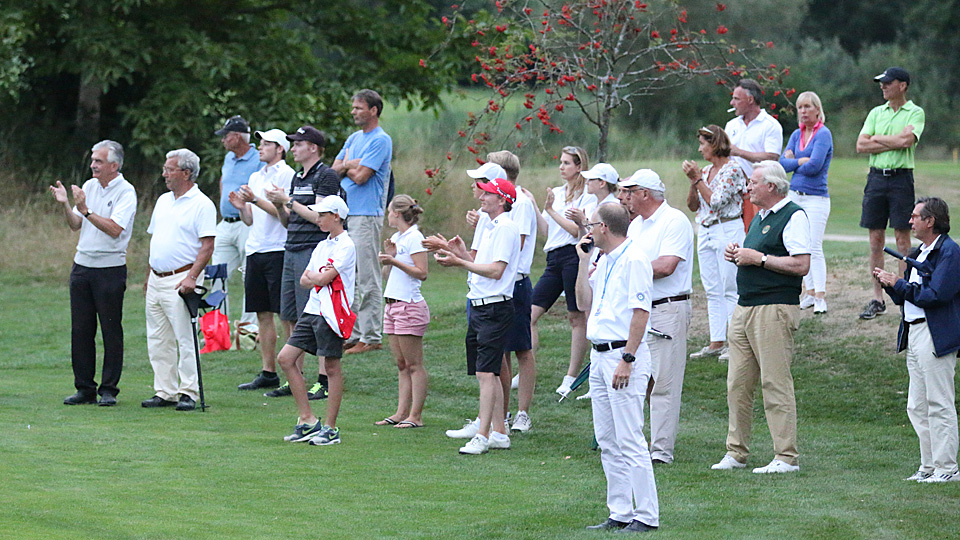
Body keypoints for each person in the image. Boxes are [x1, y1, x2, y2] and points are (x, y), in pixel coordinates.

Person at [712, 161, 810, 473]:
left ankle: (786, 456)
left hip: (774, 308)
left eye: (753, 183)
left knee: (775, 382)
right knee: (737, 384)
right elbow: (756, 256)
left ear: (771, 186)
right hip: (745, 307)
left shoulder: (793, 215)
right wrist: (740, 255)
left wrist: (760, 258)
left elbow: (801, 265)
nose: (747, 188)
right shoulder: (759, 217)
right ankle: (736, 452)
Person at [574, 203, 659, 533]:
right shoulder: (603, 259)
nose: (588, 230)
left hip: (621, 356)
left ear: (605, 227)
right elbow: (584, 303)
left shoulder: (635, 259)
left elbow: (641, 312)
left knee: (630, 437)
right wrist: (583, 262)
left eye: (592, 224)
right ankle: (620, 510)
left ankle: (647, 514)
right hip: (599, 355)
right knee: (607, 437)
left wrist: (628, 358)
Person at [875, 197, 960, 483]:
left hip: (935, 333)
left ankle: (947, 467)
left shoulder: (949, 253)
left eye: (914, 216)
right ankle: (929, 466)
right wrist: (890, 285)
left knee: (939, 402)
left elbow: (936, 296)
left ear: (930, 221)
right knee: (917, 405)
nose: (909, 221)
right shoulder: (918, 252)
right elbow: (908, 296)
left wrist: (899, 284)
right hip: (914, 332)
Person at [434, 175, 520, 455]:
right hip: (482, 304)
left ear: (502, 200)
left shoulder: (506, 228)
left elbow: (497, 271)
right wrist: (459, 254)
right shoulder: (491, 227)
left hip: (495, 307)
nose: (481, 197)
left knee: (486, 373)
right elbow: (483, 267)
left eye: (487, 194)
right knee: (489, 373)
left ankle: (482, 436)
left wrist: (459, 262)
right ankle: (499, 433)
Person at [51, 140, 137, 406]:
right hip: (82, 267)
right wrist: (67, 204)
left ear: (114, 165)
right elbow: (76, 224)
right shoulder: (88, 186)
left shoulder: (126, 192)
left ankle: (109, 389)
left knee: (110, 329)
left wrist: (86, 209)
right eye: (93, 161)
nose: (93, 166)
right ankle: (84, 388)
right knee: (81, 330)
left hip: (109, 269)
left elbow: (114, 229)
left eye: (98, 161)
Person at [619, 169, 694, 464]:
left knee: (664, 382)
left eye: (630, 192)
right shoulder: (636, 225)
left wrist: (626, 272)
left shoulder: (674, 221)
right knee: (637, 378)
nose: (625, 197)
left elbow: (666, 266)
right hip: (642, 309)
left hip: (668, 307)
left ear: (645, 194)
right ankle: (633, 441)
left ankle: (661, 451)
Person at [263, 126, 343, 400]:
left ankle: (323, 379)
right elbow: (289, 220)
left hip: (312, 249)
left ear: (313, 147)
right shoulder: (298, 177)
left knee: (316, 315)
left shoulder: (326, 175)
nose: (293, 148)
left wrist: (289, 201)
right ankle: (294, 377)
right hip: (292, 246)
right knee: (289, 314)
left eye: (298, 144)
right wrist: (278, 205)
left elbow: (320, 218)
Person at [468, 153, 539, 431]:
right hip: (486, 286)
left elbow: (509, 253)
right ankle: (498, 419)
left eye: (484, 182)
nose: (479, 189)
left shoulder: (516, 205)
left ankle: (518, 414)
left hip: (513, 284)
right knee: (496, 355)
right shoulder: (491, 212)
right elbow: (479, 253)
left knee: (520, 348)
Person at [142, 149, 217, 412]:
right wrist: (147, 276)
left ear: (186, 173)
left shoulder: (202, 204)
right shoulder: (163, 200)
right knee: (158, 337)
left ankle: (189, 391)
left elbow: (207, 245)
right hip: (157, 277)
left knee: (185, 337)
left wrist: (192, 277)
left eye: (169, 169)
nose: (164, 173)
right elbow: (156, 240)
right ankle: (165, 391)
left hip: (182, 279)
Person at [277, 196, 355, 445]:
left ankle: (331, 428)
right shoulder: (322, 246)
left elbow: (321, 279)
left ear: (336, 216)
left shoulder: (346, 245)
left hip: (333, 313)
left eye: (322, 215)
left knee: (331, 368)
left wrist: (317, 277)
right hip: (313, 309)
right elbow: (305, 279)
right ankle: (308, 419)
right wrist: (317, 276)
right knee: (286, 359)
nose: (318, 219)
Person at [856, 67, 926, 321]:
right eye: (881, 83)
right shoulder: (876, 112)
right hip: (876, 177)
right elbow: (861, 144)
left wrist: (877, 138)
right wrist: (891, 139)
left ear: (903, 85)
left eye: (888, 82)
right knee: (875, 240)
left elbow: (907, 142)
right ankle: (877, 298)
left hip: (900, 179)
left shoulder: (915, 112)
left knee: (902, 240)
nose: (883, 86)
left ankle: (904, 296)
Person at [528, 146, 598, 398]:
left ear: (579, 167)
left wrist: (551, 210)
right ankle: (527, 370)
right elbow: (549, 231)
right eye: (561, 162)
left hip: (572, 255)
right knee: (530, 314)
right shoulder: (557, 193)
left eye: (567, 163)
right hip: (553, 257)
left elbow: (574, 231)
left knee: (576, 316)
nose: (561, 167)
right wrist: (537, 206)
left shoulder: (587, 196)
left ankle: (571, 376)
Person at [231, 129, 296, 391]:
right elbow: (251, 219)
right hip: (255, 249)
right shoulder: (256, 175)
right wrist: (242, 208)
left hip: (278, 249)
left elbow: (284, 213)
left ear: (279, 148)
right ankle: (268, 372)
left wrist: (255, 200)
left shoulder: (287, 175)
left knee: (285, 314)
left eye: (266, 144)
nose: (260, 147)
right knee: (262, 314)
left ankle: (294, 373)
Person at [333, 89, 393, 355]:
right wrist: (349, 164)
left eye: (359, 108)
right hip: (348, 212)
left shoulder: (381, 140)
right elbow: (334, 169)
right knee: (350, 275)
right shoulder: (354, 138)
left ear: (374, 110)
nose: (354, 112)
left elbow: (361, 177)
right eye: (354, 108)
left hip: (367, 214)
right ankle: (354, 333)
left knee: (368, 276)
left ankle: (371, 335)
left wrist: (349, 166)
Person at [683, 125, 747, 360]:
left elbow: (717, 201)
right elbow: (693, 206)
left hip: (728, 228)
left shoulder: (733, 169)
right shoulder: (707, 171)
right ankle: (716, 340)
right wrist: (694, 182)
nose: (700, 149)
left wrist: (697, 179)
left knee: (730, 287)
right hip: (707, 229)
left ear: (715, 144)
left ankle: (736, 342)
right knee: (712, 289)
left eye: (703, 144)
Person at [376, 195, 430, 428]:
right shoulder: (398, 238)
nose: (388, 216)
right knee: (401, 363)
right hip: (392, 304)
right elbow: (392, 275)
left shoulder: (414, 237)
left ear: (397, 214)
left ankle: (415, 416)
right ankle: (401, 412)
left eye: (389, 212)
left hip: (409, 305)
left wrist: (395, 260)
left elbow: (422, 272)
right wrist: (391, 258)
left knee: (414, 364)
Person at [780, 91, 834, 314]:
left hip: (816, 198)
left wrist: (796, 161)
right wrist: (797, 161)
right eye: (800, 107)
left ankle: (820, 295)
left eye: (807, 107)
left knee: (813, 246)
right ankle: (809, 291)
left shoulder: (823, 134)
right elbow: (782, 164)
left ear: (817, 109)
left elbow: (814, 166)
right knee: (799, 245)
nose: (802, 111)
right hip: (794, 195)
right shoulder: (796, 134)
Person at [213, 115, 263, 332]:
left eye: (226, 136)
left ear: (237, 137)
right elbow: (223, 182)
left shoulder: (258, 158)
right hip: (226, 223)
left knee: (248, 276)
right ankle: (218, 329)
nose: (223, 140)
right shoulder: (228, 159)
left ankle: (248, 329)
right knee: (216, 273)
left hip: (248, 223)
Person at [725, 79, 783, 229]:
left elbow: (772, 157)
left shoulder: (770, 125)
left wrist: (739, 152)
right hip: (734, 192)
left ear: (750, 100)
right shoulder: (731, 125)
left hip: (760, 192)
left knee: (756, 233)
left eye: (736, 99)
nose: (732, 103)